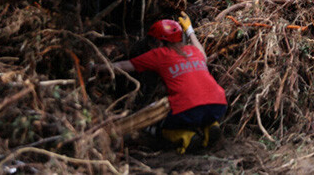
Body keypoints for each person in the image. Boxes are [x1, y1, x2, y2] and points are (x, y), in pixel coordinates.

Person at [96, 14, 227, 154]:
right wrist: (190, 30)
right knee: (198, 113)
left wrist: (95, 67)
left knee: (156, 125)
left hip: (189, 109)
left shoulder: (159, 54)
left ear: (158, 42)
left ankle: (186, 137)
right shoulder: (192, 50)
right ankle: (210, 126)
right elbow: (204, 56)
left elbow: (124, 65)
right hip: (218, 105)